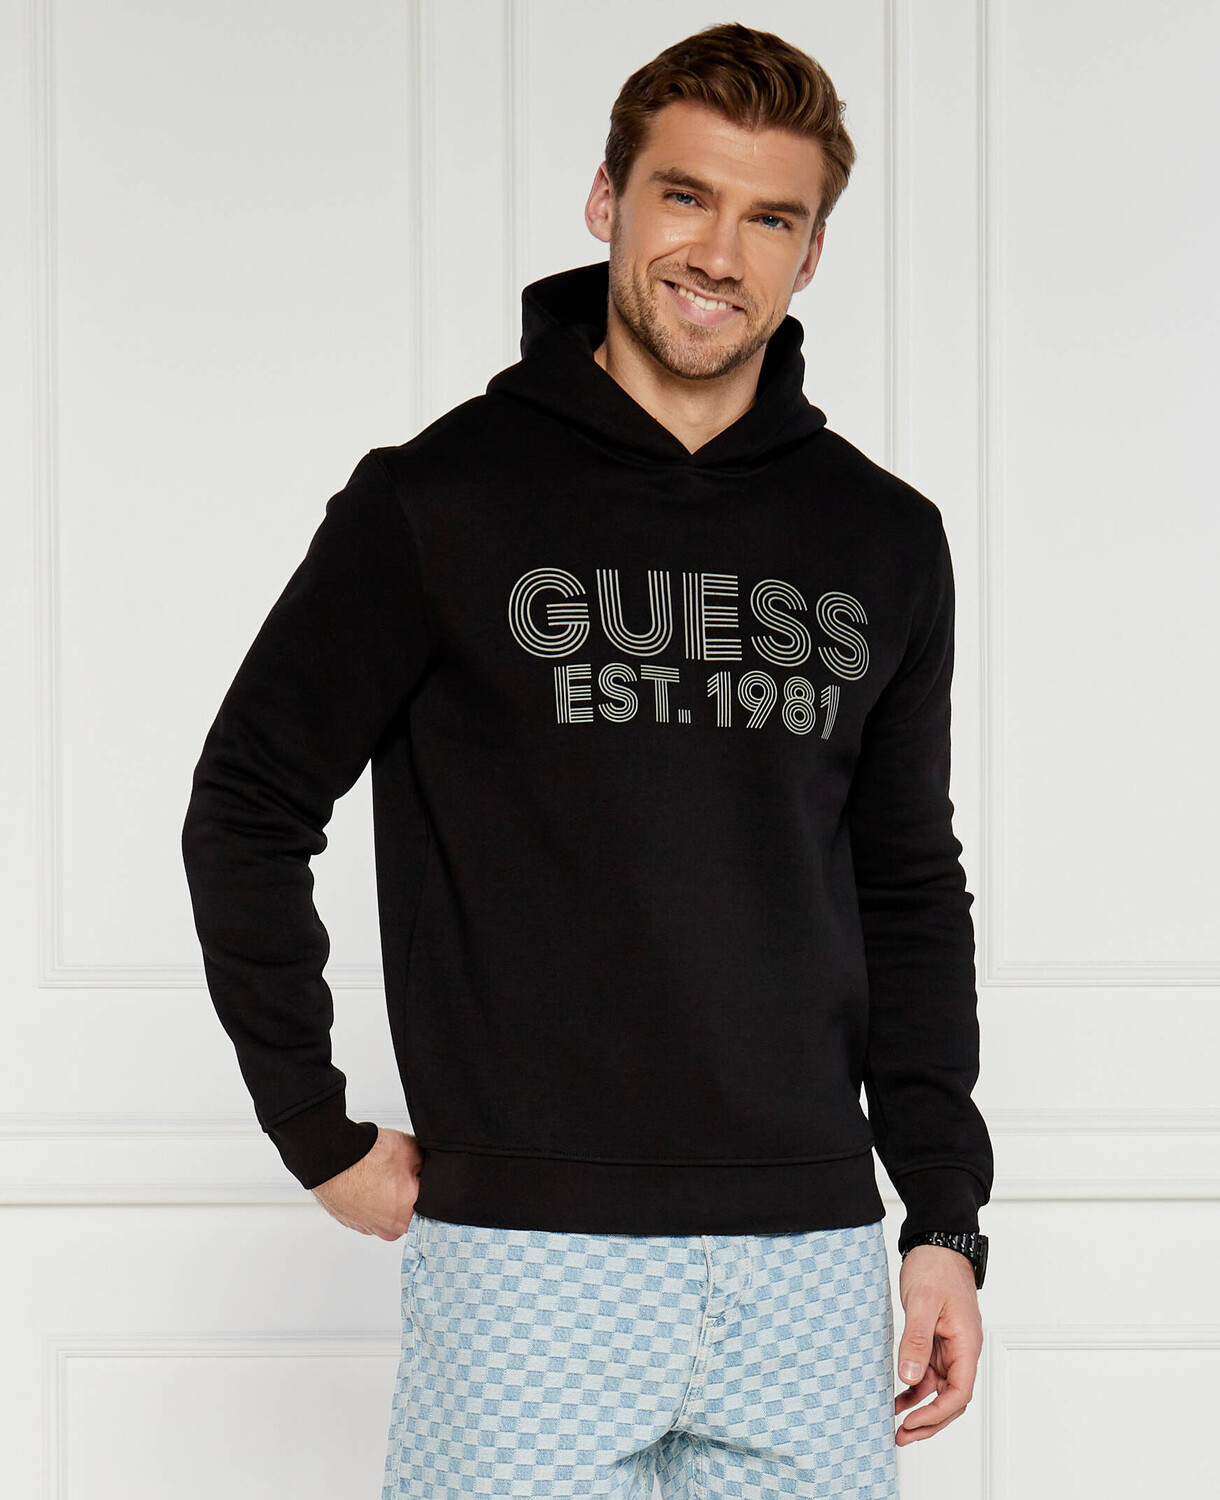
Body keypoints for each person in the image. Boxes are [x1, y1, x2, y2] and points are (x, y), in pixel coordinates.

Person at [181, 21, 993, 1498]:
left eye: (771, 218)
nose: (719, 254)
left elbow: (908, 885)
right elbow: (248, 801)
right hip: (527, 1257)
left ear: (811, 255)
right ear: (607, 198)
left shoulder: (883, 537)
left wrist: (942, 1215)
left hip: (812, 1260)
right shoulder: (437, 503)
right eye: (685, 195)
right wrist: (312, 1126)